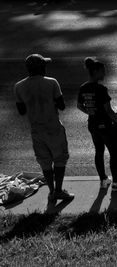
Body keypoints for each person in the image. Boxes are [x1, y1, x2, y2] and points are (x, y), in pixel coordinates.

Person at [14, 54, 74, 202]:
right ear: (42, 67)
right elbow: (62, 106)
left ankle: (52, 191)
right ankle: (59, 190)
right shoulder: (52, 82)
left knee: (44, 161)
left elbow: (21, 111)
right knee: (59, 159)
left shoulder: (19, 86)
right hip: (53, 127)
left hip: (36, 129)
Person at [77, 57, 117, 191]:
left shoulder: (83, 87)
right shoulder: (101, 89)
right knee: (114, 152)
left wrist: (90, 112)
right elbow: (108, 110)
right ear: (95, 71)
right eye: (102, 71)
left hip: (92, 125)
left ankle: (103, 180)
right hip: (105, 125)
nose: (104, 74)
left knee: (99, 151)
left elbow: (79, 106)